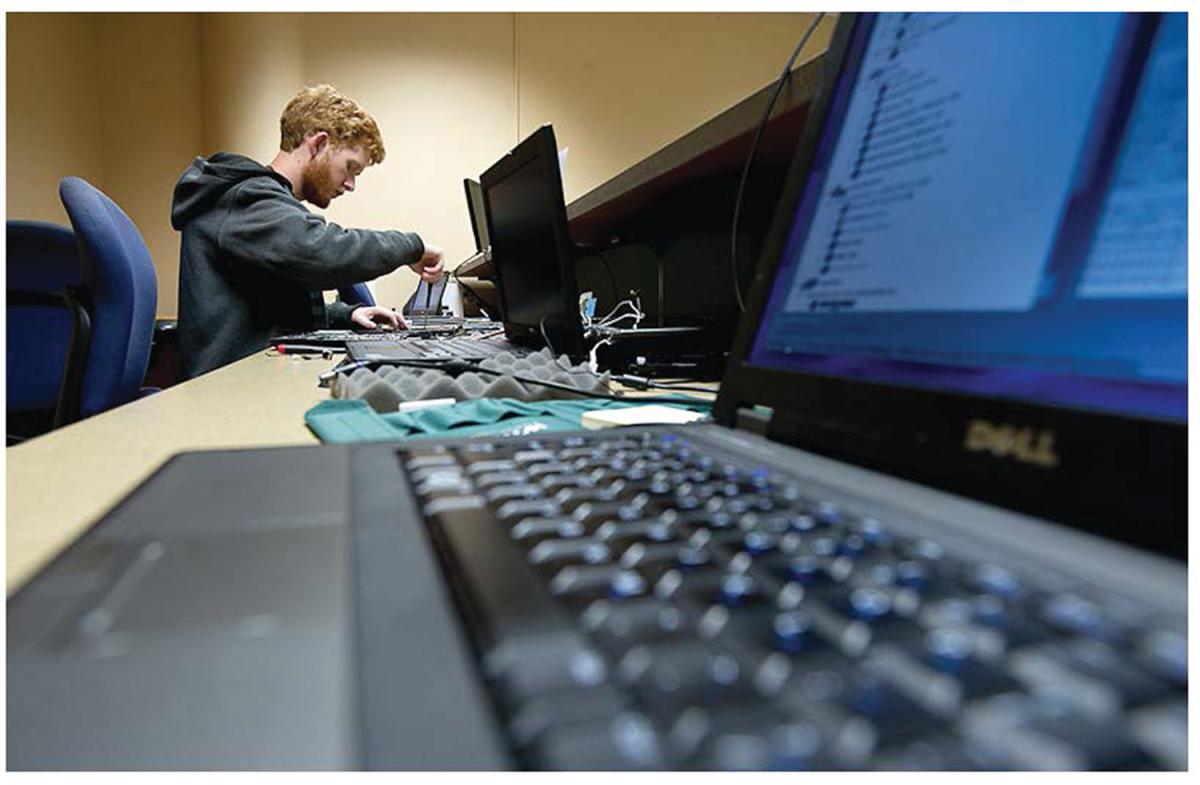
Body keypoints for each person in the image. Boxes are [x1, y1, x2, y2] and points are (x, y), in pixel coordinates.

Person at [170, 83, 444, 379]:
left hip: (251, 378)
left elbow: (266, 308)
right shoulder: (244, 198)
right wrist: (411, 247)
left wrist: (345, 315)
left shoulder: (265, 203)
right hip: (227, 393)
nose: (351, 184)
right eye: (350, 168)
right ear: (318, 144)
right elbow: (322, 252)